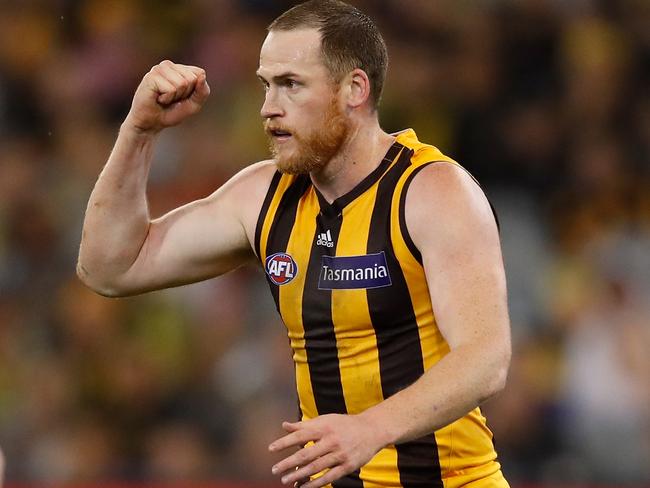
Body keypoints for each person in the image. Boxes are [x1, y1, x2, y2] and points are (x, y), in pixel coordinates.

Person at [77, 1, 511, 487]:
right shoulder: (264, 196)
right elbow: (109, 268)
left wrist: (370, 429)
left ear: (355, 90)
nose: (268, 107)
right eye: (266, 85)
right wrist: (139, 131)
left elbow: (485, 360)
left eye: (291, 84)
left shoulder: (432, 192)